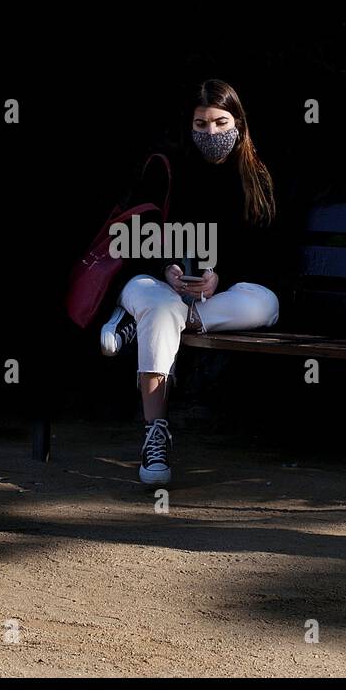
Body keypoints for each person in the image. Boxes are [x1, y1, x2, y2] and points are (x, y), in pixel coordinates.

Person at [100, 79, 282, 486]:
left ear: (238, 121)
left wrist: (220, 276)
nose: (211, 133)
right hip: (152, 283)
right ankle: (155, 433)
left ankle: (137, 322)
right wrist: (166, 266)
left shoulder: (256, 177)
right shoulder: (167, 167)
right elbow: (131, 237)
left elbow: (268, 252)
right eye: (201, 125)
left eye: (220, 122)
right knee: (161, 306)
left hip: (211, 296)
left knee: (265, 305)